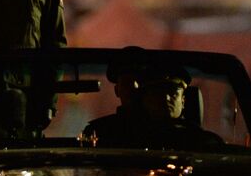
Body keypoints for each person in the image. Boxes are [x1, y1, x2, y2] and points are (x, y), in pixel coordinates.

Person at [83, 62, 223, 150]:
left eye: (173, 93)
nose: (166, 98)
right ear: (144, 98)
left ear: (184, 100)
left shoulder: (204, 142)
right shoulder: (109, 134)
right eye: (158, 93)